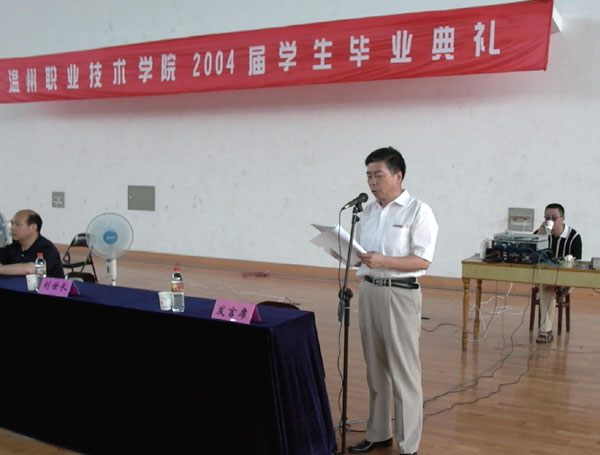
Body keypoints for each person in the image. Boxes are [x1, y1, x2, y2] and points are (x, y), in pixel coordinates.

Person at [349, 147, 438, 455]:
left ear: (398, 176)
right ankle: (379, 434)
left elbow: (423, 260)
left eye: (378, 175)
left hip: (400, 294)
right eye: (368, 176)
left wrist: (384, 260)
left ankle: (408, 446)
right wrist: (342, 251)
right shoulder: (368, 212)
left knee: (404, 372)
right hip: (369, 290)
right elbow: (362, 255)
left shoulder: (418, 211)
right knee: (375, 369)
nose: (372, 182)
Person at [534, 203, 582, 343]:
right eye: (547, 218)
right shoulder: (541, 233)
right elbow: (530, 257)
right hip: (544, 277)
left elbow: (576, 265)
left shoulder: (573, 237)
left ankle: (545, 331)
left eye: (554, 218)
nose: (550, 221)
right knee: (547, 287)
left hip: (567, 278)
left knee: (548, 289)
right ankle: (546, 331)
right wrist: (538, 238)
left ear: (563, 219)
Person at [0, 209, 64, 278]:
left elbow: (32, 269)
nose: (12, 228)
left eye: (17, 224)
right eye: (12, 224)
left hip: (47, 285)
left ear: (33, 228)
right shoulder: (13, 247)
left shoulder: (47, 249)